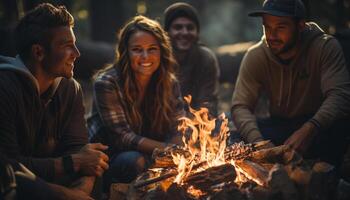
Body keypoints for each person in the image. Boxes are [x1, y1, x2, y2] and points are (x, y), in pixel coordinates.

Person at [0, 3, 109, 197]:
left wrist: (80, 192)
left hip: (54, 181)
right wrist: (68, 190)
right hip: (16, 185)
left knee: (98, 166)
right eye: (67, 46)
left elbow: (82, 153)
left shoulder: (70, 88)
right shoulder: (5, 87)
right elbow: (8, 166)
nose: (77, 53)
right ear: (38, 52)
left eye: (75, 44)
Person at [231, 0, 350, 167]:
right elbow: (241, 106)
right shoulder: (256, 55)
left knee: (341, 126)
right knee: (234, 136)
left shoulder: (325, 47)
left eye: (280, 27)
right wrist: (260, 145)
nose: (271, 35)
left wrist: (311, 128)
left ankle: (324, 175)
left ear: (300, 25)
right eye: (267, 27)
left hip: (317, 126)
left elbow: (340, 95)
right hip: (280, 127)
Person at [87, 15, 185, 187]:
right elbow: (122, 138)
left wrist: (178, 152)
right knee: (135, 161)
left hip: (156, 152)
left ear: (161, 51)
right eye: (137, 49)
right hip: (112, 157)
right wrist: (169, 150)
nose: (145, 56)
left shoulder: (169, 83)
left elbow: (178, 125)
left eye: (152, 49)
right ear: (126, 52)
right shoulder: (107, 83)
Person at [163, 2, 220, 116]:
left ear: (197, 32)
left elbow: (208, 103)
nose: (184, 32)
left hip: (195, 124)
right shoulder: (157, 58)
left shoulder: (205, 58)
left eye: (190, 28)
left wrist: (192, 127)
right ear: (166, 32)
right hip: (161, 123)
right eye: (178, 27)